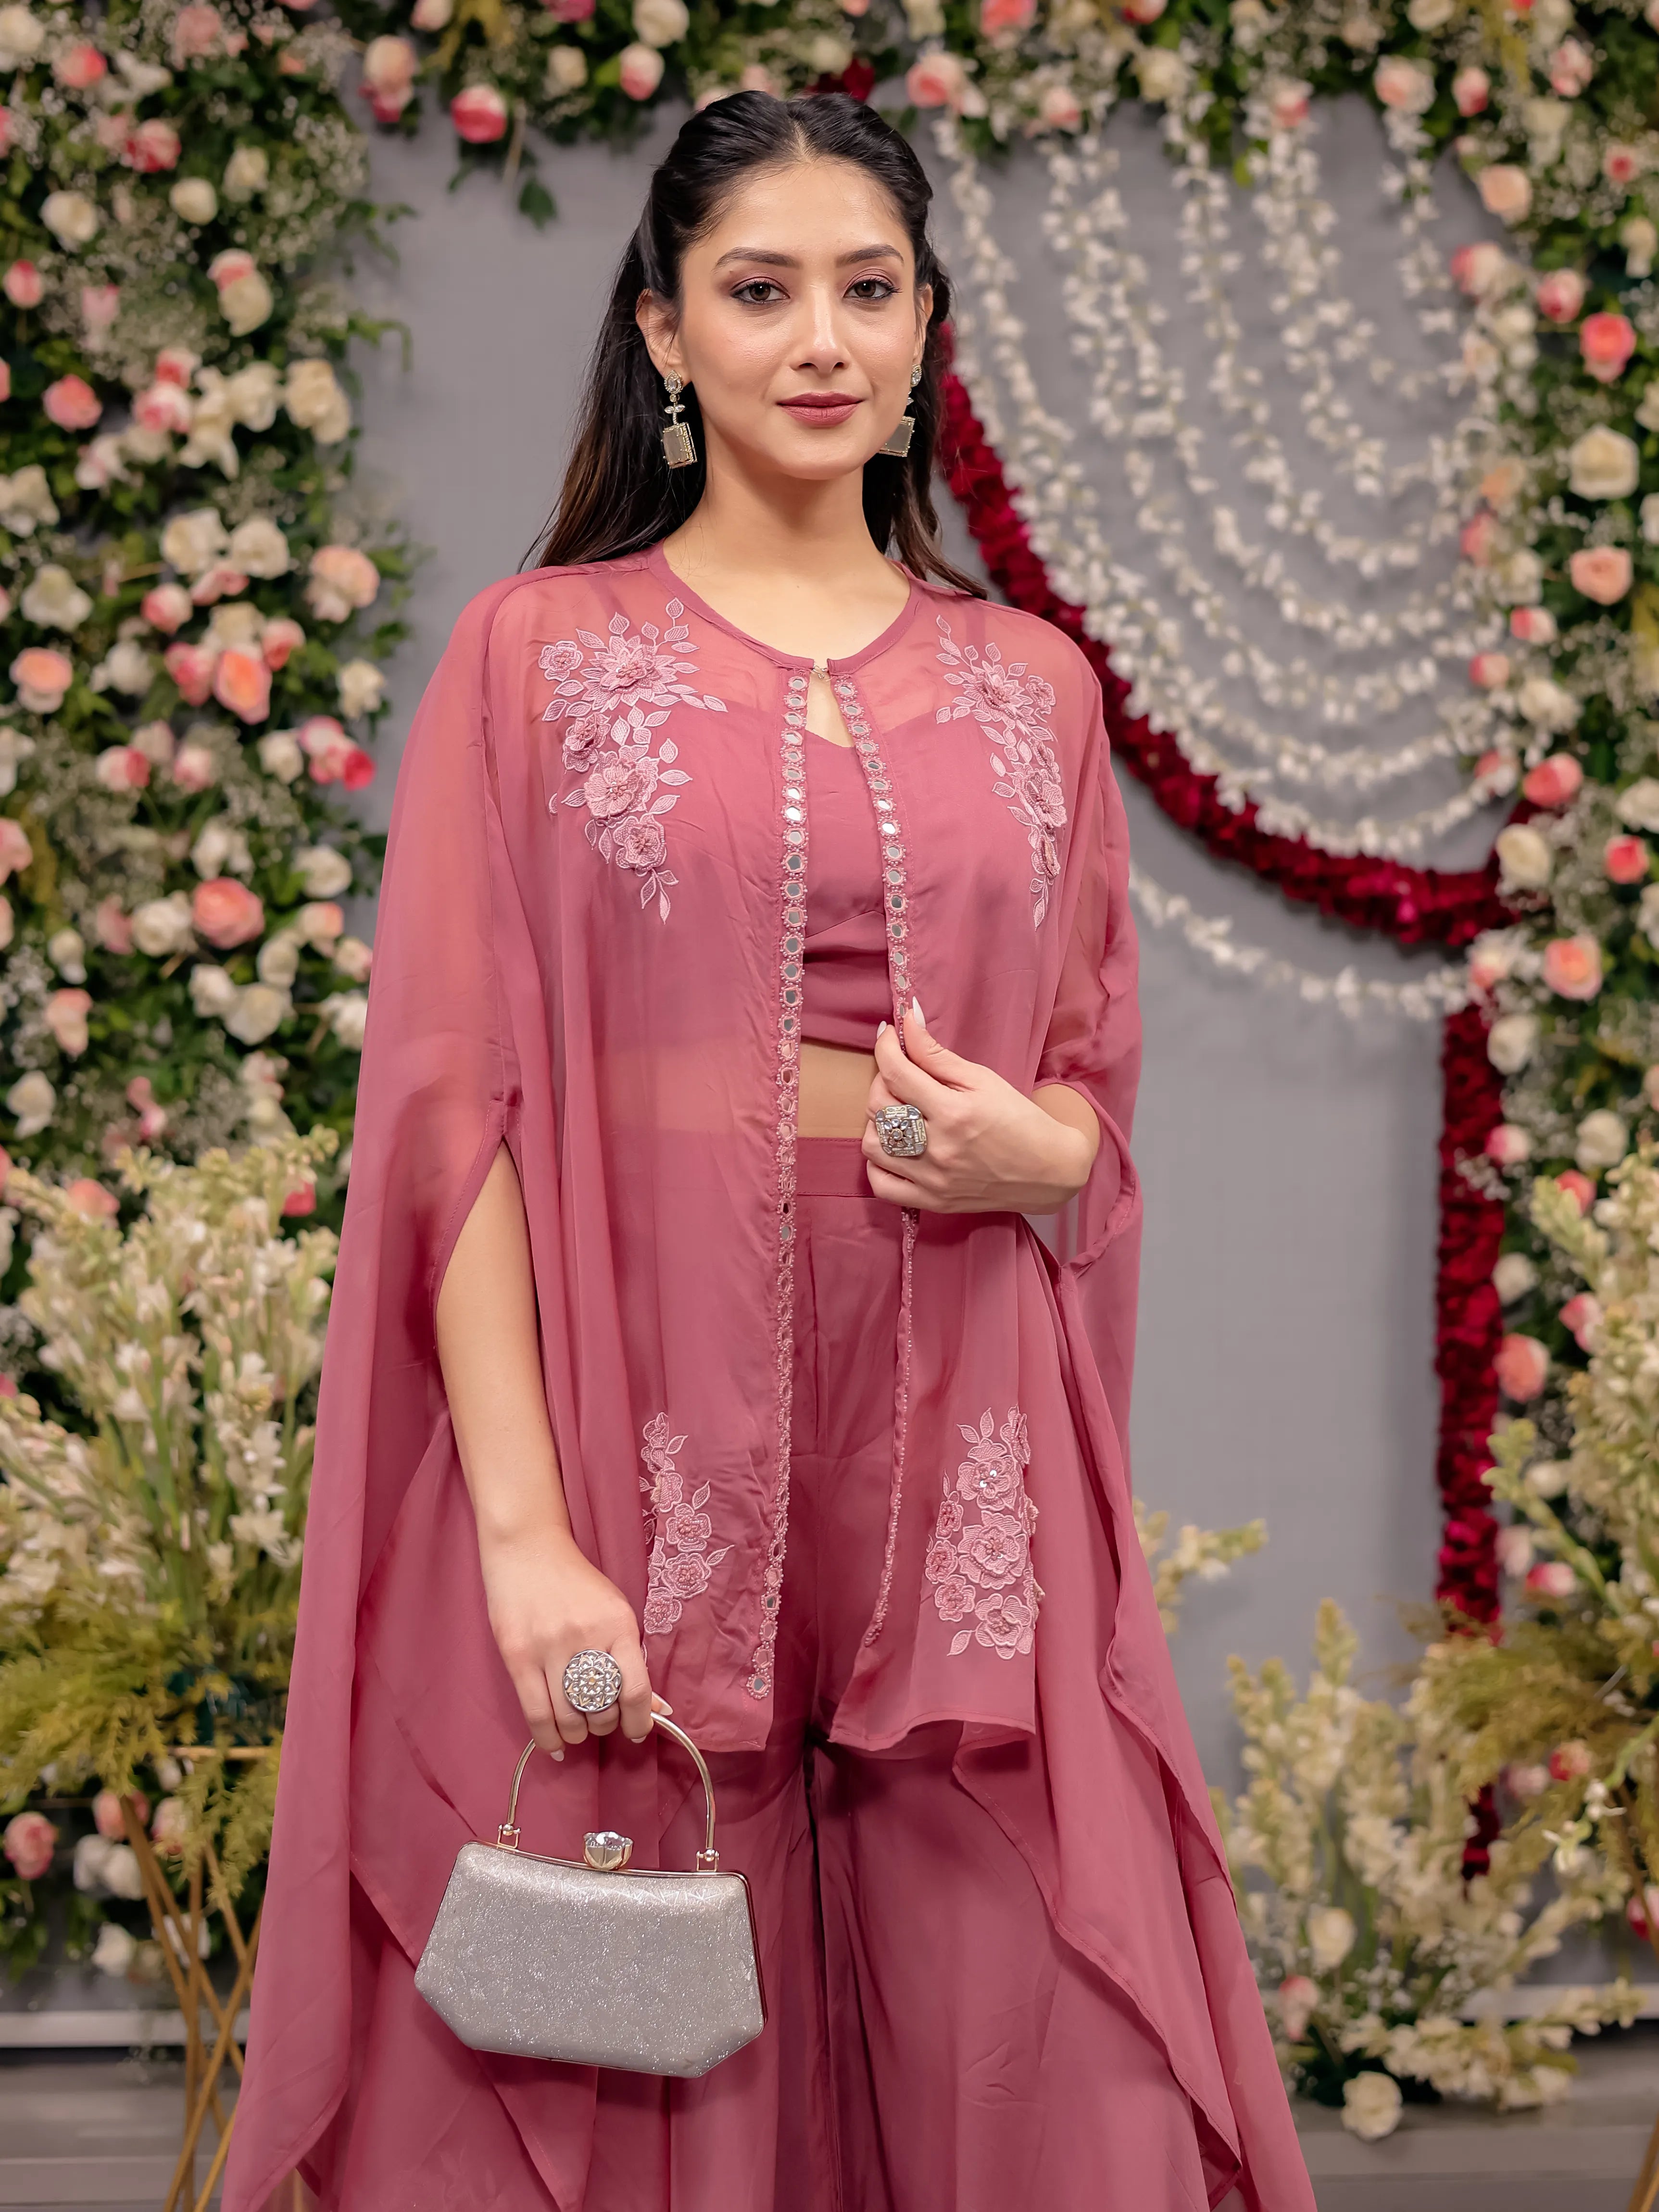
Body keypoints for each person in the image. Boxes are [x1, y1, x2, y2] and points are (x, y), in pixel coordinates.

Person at [225, 88, 1316, 2212]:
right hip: (643, 1411)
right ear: (663, 335)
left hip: (959, 1426)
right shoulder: (539, 659)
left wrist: (1040, 1146)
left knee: (1040, 2035)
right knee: (640, 2018)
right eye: (758, 291)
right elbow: (463, 1117)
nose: (818, 338)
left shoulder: (1035, 687)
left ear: (920, 334)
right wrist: (526, 1532)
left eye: (866, 289)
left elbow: (1090, 1090)